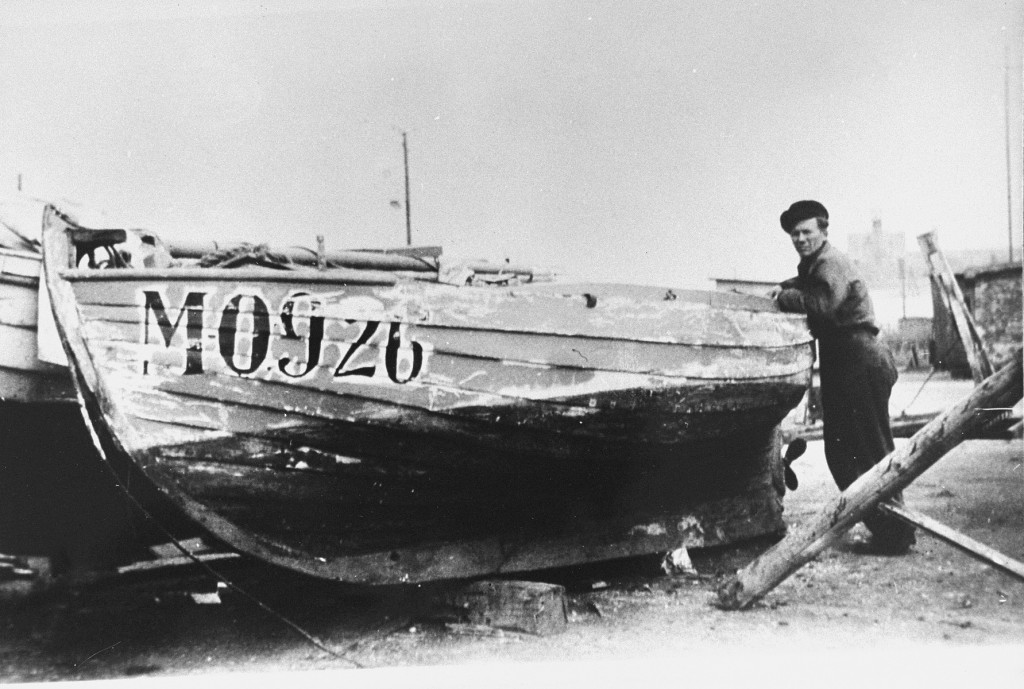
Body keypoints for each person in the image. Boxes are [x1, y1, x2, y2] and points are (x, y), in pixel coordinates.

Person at [770, 200, 916, 555]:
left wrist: (783, 297)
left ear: (823, 231)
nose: (800, 238)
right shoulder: (816, 265)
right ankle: (886, 528)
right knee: (843, 452)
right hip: (844, 362)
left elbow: (823, 305)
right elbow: (808, 283)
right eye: (794, 234)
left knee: (870, 451)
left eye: (806, 231)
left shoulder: (831, 262)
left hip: (858, 360)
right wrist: (788, 285)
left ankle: (895, 534)